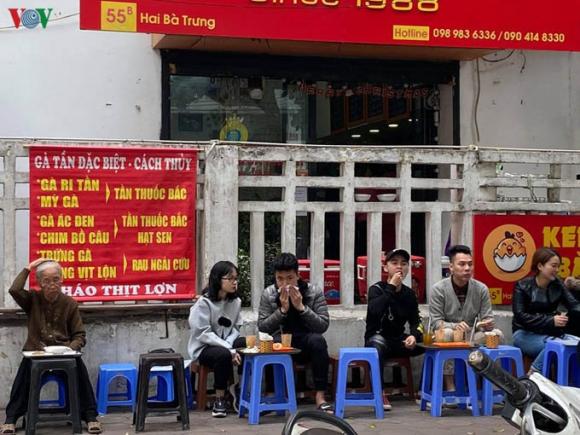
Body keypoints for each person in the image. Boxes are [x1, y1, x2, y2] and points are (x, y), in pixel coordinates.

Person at [1, 259, 102, 435]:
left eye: (56, 279)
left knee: (80, 372)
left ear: (61, 280)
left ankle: (91, 417)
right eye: (46, 281)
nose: (52, 285)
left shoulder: (69, 303)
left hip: (64, 353)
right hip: (36, 352)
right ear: (40, 282)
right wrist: (29, 268)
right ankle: (11, 419)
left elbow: (80, 335)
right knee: (23, 377)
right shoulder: (32, 299)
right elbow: (14, 290)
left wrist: (71, 348)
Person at [258, 252, 333, 412]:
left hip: (305, 342)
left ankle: (320, 397)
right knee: (271, 344)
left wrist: (301, 307)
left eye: (290, 278)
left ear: (298, 276)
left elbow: (323, 325)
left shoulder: (313, 292)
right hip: (282, 341)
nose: (285, 284)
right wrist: (282, 311)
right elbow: (263, 327)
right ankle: (273, 395)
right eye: (280, 279)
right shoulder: (269, 293)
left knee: (318, 341)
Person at [429, 244, 504, 389]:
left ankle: (492, 384)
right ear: (451, 267)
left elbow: (488, 317)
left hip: (472, 335)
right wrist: (454, 326)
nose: (467, 268)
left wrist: (487, 324)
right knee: (449, 334)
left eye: (470, 264)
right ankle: (450, 386)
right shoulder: (438, 289)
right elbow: (436, 322)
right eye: (462, 264)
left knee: (496, 334)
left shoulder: (481, 289)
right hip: (446, 335)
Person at [364, 248, 424, 411]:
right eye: (394, 263)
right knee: (378, 345)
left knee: (428, 344)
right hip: (376, 338)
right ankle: (379, 391)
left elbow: (416, 320)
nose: (400, 267)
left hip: (398, 340)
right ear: (386, 268)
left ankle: (424, 390)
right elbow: (375, 311)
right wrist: (391, 287)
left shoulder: (409, 294)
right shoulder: (376, 289)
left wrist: (413, 335)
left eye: (404, 264)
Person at [187, 260, 246, 418]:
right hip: (204, 348)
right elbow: (203, 333)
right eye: (230, 279)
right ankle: (220, 398)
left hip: (226, 343)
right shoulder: (204, 303)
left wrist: (230, 346)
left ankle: (240, 387)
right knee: (222, 354)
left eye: (236, 278)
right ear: (218, 279)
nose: (235, 282)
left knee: (245, 344)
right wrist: (228, 349)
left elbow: (236, 328)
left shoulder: (236, 302)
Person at [512, 248, 580, 374]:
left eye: (558, 266)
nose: (557, 270)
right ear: (540, 266)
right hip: (523, 334)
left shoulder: (558, 284)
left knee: (575, 343)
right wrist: (550, 320)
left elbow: (574, 305)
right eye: (553, 266)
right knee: (555, 346)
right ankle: (532, 377)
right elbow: (521, 316)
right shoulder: (522, 286)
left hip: (550, 334)